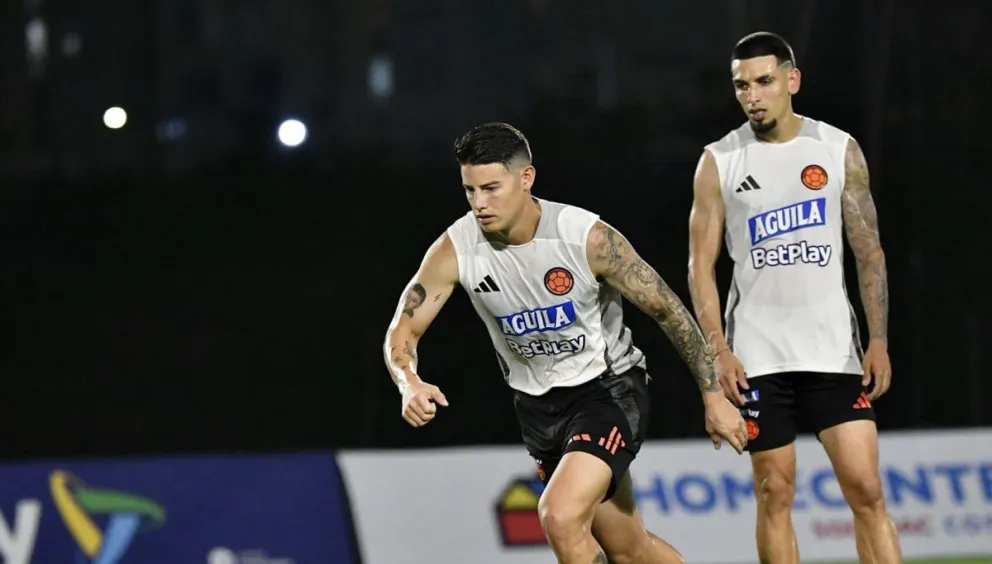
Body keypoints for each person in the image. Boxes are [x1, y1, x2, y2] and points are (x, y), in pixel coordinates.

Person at [384, 122, 748, 564]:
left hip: (607, 390)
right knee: (629, 549)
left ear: (526, 178)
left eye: (491, 188)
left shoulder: (585, 238)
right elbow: (403, 329)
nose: (479, 204)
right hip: (536, 409)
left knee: (558, 516)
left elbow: (667, 309)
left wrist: (712, 395)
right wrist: (408, 382)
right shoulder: (456, 248)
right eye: (470, 190)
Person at [687, 32, 903, 564]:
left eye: (764, 81)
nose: (753, 95)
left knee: (867, 488)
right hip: (758, 354)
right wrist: (718, 352)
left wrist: (878, 340)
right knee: (773, 491)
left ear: (792, 80)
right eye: (742, 86)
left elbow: (869, 252)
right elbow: (700, 268)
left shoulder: (836, 149)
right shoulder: (719, 160)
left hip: (833, 350)